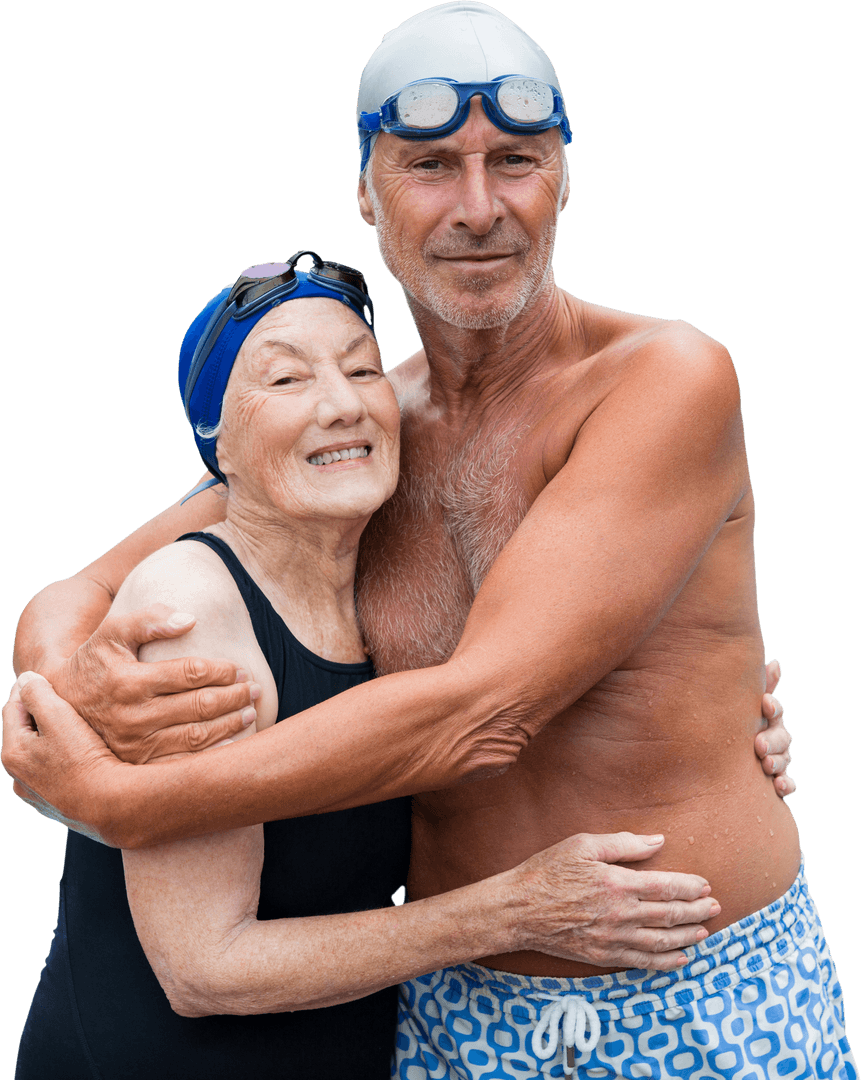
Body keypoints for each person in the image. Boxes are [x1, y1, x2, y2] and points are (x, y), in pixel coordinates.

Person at [6, 2, 850, 1076]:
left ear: (566, 179)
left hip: (702, 997)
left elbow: (484, 711)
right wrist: (64, 688)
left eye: (517, 160)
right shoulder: (362, 440)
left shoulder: (664, 380)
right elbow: (73, 592)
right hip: (451, 1013)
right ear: (366, 191)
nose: (479, 206)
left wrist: (115, 798)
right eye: (430, 165)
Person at [12, 253, 725, 1080]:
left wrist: (717, 700)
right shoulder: (190, 614)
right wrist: (511, 912)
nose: (341, 404)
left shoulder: (378, 568)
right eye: (284, 381)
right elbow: (204, 969)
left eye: (362, 368)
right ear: (217, 445)